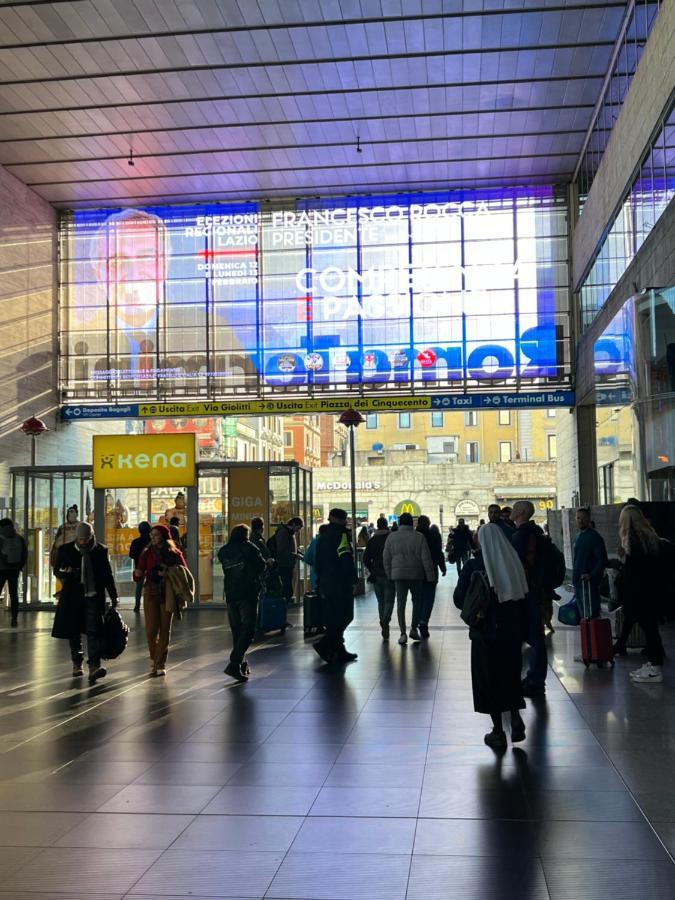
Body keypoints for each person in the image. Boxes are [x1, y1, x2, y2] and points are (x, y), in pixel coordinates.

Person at [453, 523, 529, 751]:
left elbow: (459, 598)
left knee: (488, 679)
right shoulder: (513, 561)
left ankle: (497, 731)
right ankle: (515, 716)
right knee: (511, 674)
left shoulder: (475, 565)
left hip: (485, 633)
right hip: (512, 631)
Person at [51, 522, 118, 684]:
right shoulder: (66, 550)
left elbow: (107, 574)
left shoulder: (100, 550)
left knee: (93, 629)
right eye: (80, 539)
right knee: (74, 630)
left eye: (85, 539)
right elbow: (56, 570)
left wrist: (114, 595)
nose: (82, 542)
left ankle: (94, 666)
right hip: (73, 595)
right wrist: (68, 573)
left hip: (93, 595)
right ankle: (77, 662)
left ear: (91, 536)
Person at [613, 505, 665, 683]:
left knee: (649, 628)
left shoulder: (632, 540)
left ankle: (655, 667)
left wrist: (623, 560)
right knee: (651, 628)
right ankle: (653, 663)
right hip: (651, 591)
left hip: (639, 592)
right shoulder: (650, 537)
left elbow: (634, 571)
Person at [134, 524, 187, 677]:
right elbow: (138, 573)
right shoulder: (146, 552)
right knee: (151, 630)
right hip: (150, 590)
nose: (153, 538)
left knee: (165, 629)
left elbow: (183, 570)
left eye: (156, 535)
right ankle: (155, 658)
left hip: (167, 592)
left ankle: (160, 663)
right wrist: (137, 573)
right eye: (152, 535)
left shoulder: (174, 552)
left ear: (163, 536)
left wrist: (168, 573)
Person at [218, 524, 267, 683]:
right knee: (249, 628)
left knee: (237, 630)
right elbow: (261, 566)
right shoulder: (250, 548)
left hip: (231, 593)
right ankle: (234, 662)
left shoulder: (224, 550)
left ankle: (240, 664)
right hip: (248, 592)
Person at [510, 500, 548, 697]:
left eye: (516, 508)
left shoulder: (521, 536)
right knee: (535, 636)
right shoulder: (537, 534)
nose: (512, 511)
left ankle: (535, 680)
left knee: (533, 636)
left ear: (522, 512)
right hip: (535, 589)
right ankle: (535, 676)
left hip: (526, 591)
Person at [313, 508, 359, 664]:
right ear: (342, 520)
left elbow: (317, 562)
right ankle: (325, 644)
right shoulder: (342, 536)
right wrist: (353, 579)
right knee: (345, 615)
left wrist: (320, 580)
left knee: (333, 616)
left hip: (327, 582)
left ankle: (339, 649)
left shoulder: (323, 537)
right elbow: (345, 558)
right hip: (340, 582)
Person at [383, 511, 435, 645]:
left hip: (398, 576)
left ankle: (402, 633)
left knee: (401, 603)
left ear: (400, 523)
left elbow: (386, 558)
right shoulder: (419, 537)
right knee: (417, 601)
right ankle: (413, 629)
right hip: (416, 575)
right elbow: (426, 558)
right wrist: (430, 576)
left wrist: (389, 574)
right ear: (412, 523)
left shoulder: (391, 537)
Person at [572, 507, 608, 619]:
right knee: (584, 614)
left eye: (583, 518)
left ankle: (592, 634)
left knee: (591, 613)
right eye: (578, 518)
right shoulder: (577, 537)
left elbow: (602, 559)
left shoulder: (595, 537)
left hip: (588, 582)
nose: (580, 520)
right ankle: (587, 634)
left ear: (588, 519)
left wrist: (591, 574)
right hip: (578, 581)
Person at [363, 517, 394, 640]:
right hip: (390, 574)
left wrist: (372, 569)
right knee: (390, 601)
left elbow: (366, 559)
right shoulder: (391, 539)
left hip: (376, 575)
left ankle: (383, 622)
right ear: (386, 525)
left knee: (381, 601)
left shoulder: (372, 540)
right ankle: (385, 621)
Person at [416, 516, 446, 639]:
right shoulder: (434, 535)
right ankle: (423, 621)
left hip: (416, 571)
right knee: (429, 598)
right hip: (431, 571)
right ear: (428, 524)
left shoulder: (414, 536)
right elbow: (438, 553)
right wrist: (442, 567)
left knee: (418, 598)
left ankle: (416, 621)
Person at [0, 518, 28, 627]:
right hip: (14, 569)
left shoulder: (1, 538)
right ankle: (14, 618)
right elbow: (24, 554)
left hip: (1, 569)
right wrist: (19, 566)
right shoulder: (19, 538)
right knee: (14, 594)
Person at [270, 516, 304, 605]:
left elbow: (290, 548)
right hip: (283, 564)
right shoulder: (284, 533)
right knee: (287, 589)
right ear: (293, 524)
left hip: (287, 564)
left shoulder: (289, 533)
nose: (298, 530)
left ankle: (283, 610)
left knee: (287, 588)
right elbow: (281, 549)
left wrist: (298, 553)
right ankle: (282, 609)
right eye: (298, 527)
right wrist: (295, 555)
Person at [128, 522, 151, 613]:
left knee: (139, 587)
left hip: (139, 567)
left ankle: (137, 605)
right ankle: (149, 605)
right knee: (150, 586)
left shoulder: (135, 542)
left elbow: (131, 555)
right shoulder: (152, 541)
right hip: (150, 567)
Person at [304, 523, 329, 592]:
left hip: (316, 576)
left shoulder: (315, 542)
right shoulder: (333, 541)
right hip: (332, 577)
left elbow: (307, 558)